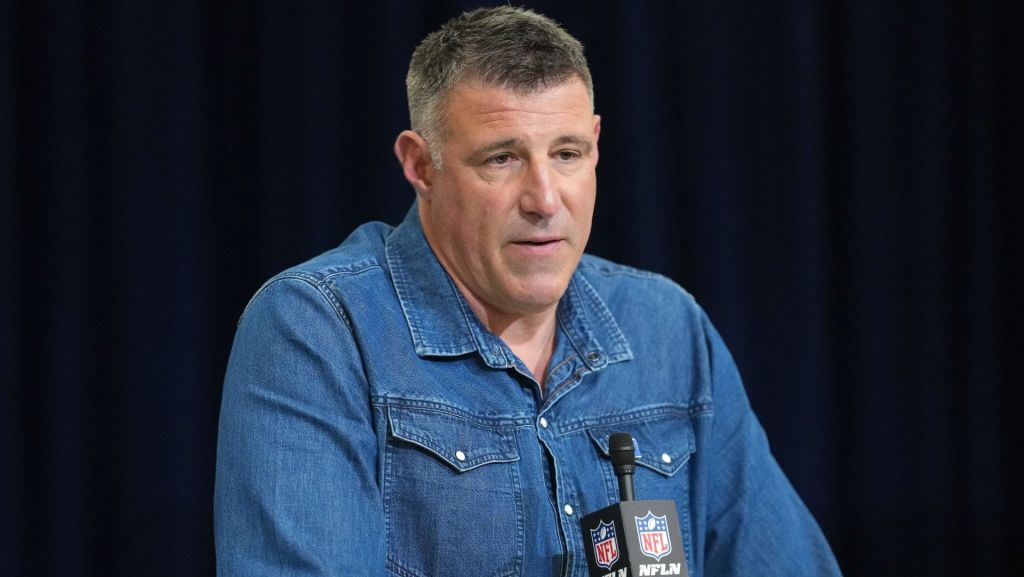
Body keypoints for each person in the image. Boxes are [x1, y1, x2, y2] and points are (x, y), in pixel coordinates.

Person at [214, 6, 842, 577]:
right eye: (502, 159)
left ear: (595, 145)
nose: (545, 200)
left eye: (567, 153)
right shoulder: (319, 329)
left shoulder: (667, 329)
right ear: (420, 165)